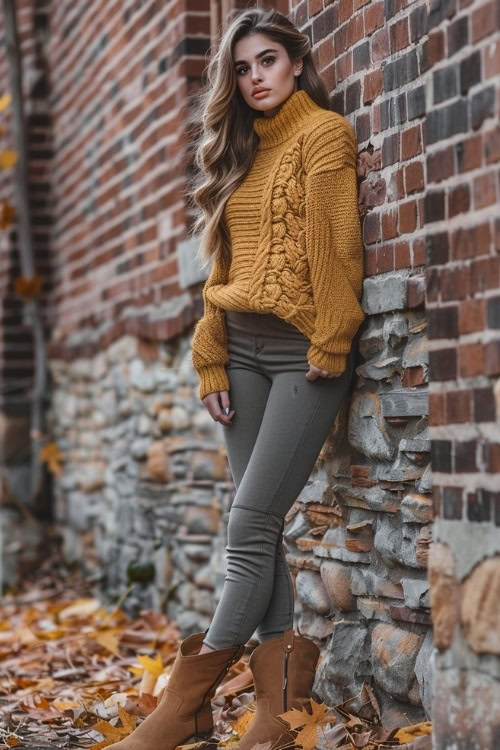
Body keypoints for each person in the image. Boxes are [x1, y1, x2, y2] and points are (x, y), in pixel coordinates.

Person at [108, 6, 365, 750]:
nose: (256, 79)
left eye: (268, 62)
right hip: (240, 355)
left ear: (296, 62)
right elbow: (224, 270)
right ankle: (277, 716)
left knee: (250, 523)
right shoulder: (240, 148)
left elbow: (338, 249)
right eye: (243, 68)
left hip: (304, 358)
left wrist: (335, 336)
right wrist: (209, 350)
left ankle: (187, 701)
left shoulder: (325, 135)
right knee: (260, 530)